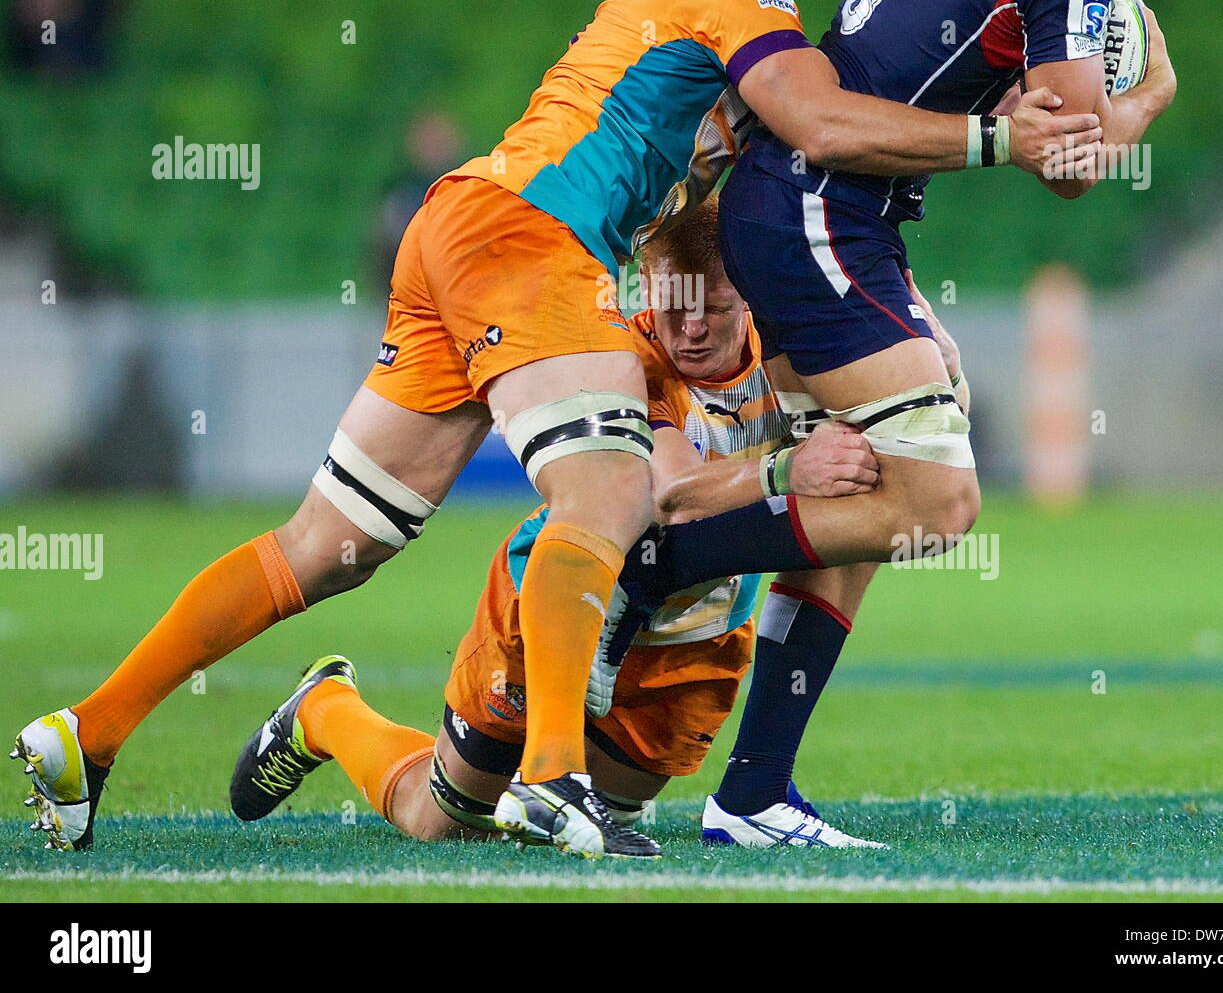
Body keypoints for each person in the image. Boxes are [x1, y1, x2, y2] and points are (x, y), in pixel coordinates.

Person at [14, 0, 1097, 859]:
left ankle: (88, 732)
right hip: (533, 236)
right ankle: (550, 778)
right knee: (611, 492)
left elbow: (776, 153)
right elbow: (820, 123)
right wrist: (997, 139)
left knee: (328, 545)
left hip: (463, 227)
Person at [590, 0, 1223, 800]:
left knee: (853, 490)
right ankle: (655, 564)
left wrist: (980, 17)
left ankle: (754, 793)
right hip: (821, 211)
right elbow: (1064, 163)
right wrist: (1146, 96)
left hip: (803, 205)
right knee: (936, 503)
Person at [228, 199, 885, 851]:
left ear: (748, 295)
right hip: (569, 602)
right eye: (672, 307)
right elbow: (676, 492)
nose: (689, 329)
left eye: (712, 308)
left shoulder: (792, 349)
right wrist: (789, 469)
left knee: (603, 813)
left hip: (696, 639)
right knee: (447, 820)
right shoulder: (625, 355)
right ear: (648, 290)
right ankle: (326, 711)